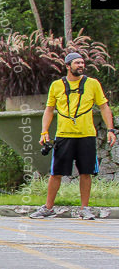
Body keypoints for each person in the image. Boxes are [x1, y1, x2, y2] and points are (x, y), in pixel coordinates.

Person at [31, 52, 117, 220]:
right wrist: (44, 131)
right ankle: (48, 208)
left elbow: (104, 107)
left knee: (86, 172)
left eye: (82, 63)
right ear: (68, 66)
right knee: (56, 173)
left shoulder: (93, 84)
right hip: (64, 135)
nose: (81, 65)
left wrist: (110, 130)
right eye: (77, 63)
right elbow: (49, 110)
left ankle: (85, 208)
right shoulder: (56, 85)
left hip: (87, 135)